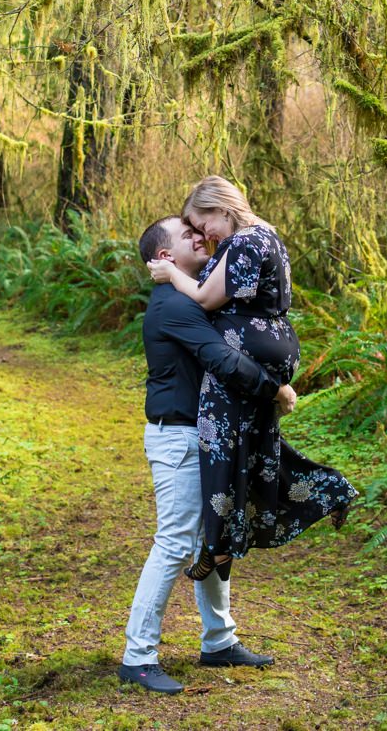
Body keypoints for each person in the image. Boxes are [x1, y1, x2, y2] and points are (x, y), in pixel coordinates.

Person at [148, 176, 356, 581]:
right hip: (270, 347)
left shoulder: (243, 241)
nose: (203, 234)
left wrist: (173, 275)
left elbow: (208, 297)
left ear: (220, 208)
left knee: (222, 449)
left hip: (249, 353)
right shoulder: (264, 235)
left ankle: (221, 544)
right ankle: (226, 543)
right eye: (191, 229)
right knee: (255, 448)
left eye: (201, 222)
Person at [118, 215, 292, 695]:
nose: (199, 236)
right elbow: (220, 357)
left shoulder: (196, 295)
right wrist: (274, 388)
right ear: (166, 258)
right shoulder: (174, 305)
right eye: (186, 234)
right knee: (175, 542)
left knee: (211, 537)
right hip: (179, 438)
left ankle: (218, 641)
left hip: (209, 435)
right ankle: (138, 657)